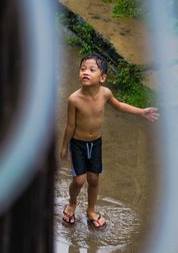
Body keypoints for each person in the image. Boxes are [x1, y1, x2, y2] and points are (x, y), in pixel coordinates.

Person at [60, 53, 159, 230]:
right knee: (79, 180)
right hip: (78, 144)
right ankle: (72, 203)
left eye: (92, 69)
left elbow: (120, 105)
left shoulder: (105, 94)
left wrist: (141, 112)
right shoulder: (74, 99)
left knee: (94, 179)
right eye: (83, 69)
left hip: (95, 143)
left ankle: (91, 210)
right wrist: (64, 146)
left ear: (102, 77)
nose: (86, 72)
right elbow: (70, 126)